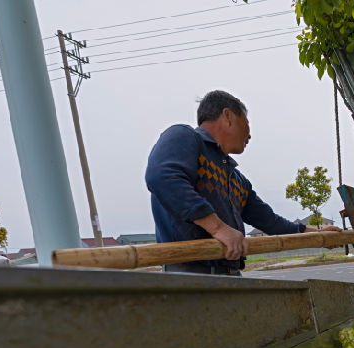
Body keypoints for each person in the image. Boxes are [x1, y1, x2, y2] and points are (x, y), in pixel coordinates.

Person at [146, 90, 340, 275]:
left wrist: (315, 234)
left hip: (229, 273)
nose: (249, 135)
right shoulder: (185, 137)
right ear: (228, 116)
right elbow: (162, 177)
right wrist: (219, 228)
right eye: (246, 122)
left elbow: (269, 221)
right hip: (188, 274)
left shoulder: (237, 179)